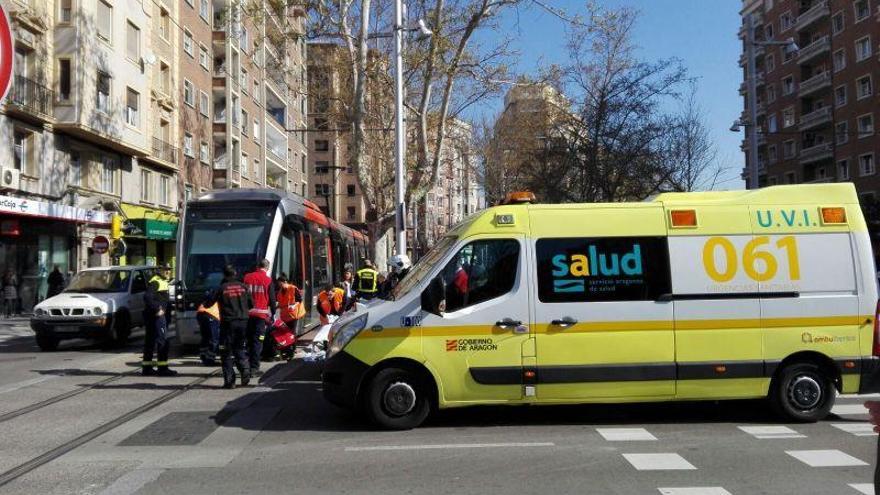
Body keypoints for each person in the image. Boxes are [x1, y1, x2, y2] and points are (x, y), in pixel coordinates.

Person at [206, 265, 253, 388]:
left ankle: (230, 381)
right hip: (243, 322)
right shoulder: (244, 287)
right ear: (235, 273)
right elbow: (251, 304)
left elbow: (208, 303)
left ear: (224, 275)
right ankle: (245, 368)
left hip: (228, 323)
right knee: (239, 347)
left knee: (225, 351)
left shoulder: (221, 288)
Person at [142, 264, 177, 376]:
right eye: (165, 270)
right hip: (157, 317)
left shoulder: (162, 281)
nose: (167, 272)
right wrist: (158, 308)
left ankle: (147, 368)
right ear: (159, 270)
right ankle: (162, 368)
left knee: (150, 341)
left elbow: (160, 298)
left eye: (169, 270)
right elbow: (147, 297)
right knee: (163, 341)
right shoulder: (156, 281)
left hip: (153, 316)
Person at [243, 259, 276, 375]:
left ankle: (245, 366)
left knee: (248, 340)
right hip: (261, 316)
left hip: (247, 315)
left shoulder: (247, 278)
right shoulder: (268, 280)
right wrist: (273, 313)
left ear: (258, 266)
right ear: (267, 268)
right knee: (258, 341)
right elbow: (272, 299)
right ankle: (254, 368)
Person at [196, 296, 221, 366]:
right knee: (214, 339)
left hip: (200, 314)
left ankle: (203, 356)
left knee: (205, 337)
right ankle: (210, 360)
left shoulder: (214, 295)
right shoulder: (224, 297)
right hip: (212, 315)